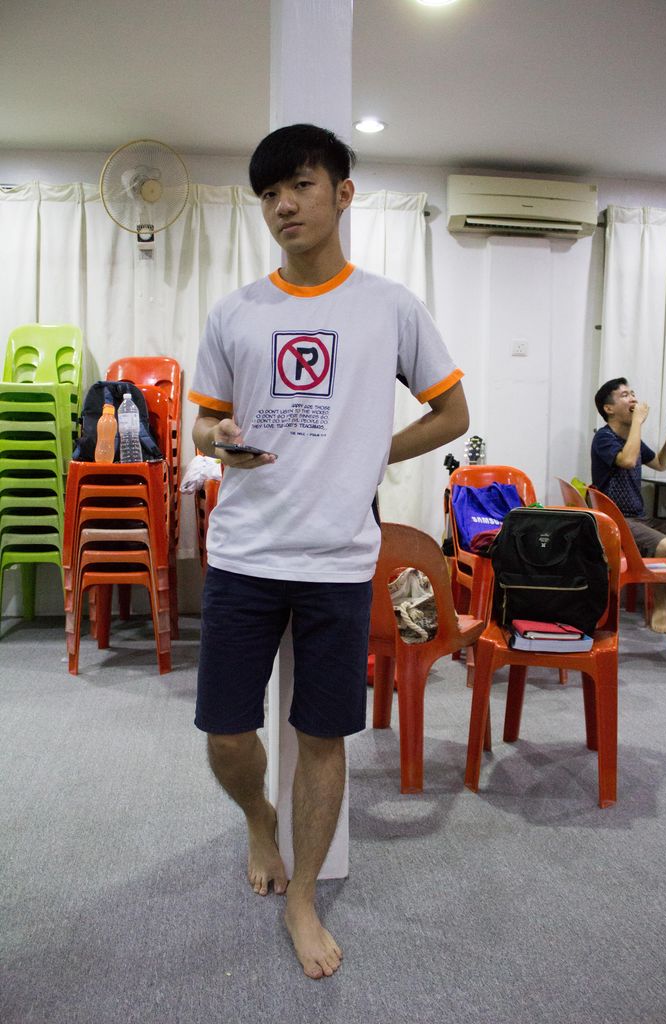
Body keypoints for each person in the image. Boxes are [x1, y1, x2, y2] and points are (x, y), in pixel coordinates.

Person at [188, 124, 469, 979]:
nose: (284, 205)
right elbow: (202, 421)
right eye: (270, 194)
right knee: (226, 732)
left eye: (301, 186)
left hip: (340, 560)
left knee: (323, 733)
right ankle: (257, 819)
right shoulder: (236, 312)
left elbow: (452, 415)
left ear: (343, 193)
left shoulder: (388, 307)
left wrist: (373, 450)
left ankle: (304, 895)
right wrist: (216, 435)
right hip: (244, 553)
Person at [591, 377, 666, 631]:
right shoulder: (604, 438)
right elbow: (628, 460)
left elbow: (660, 463)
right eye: (624, 395)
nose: (633, 398)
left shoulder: (633, 439)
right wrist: (639, 423)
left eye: (633, 393)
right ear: (609, 408)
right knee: (665, 545)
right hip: (617, 521)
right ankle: (659, 609)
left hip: (638, 518)